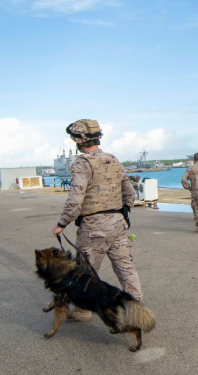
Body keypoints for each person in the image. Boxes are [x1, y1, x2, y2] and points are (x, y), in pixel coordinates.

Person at [51, 119, 143, 321]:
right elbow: (129, 192)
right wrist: (123, 212)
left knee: (85, 272)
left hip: (94, 226)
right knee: (126, 268)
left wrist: (62, 224)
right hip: (118, 223)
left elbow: (76, 199)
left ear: (79, 141)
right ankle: (136, 308)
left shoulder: (83, 163)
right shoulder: (113, 159)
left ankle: (83, 311)